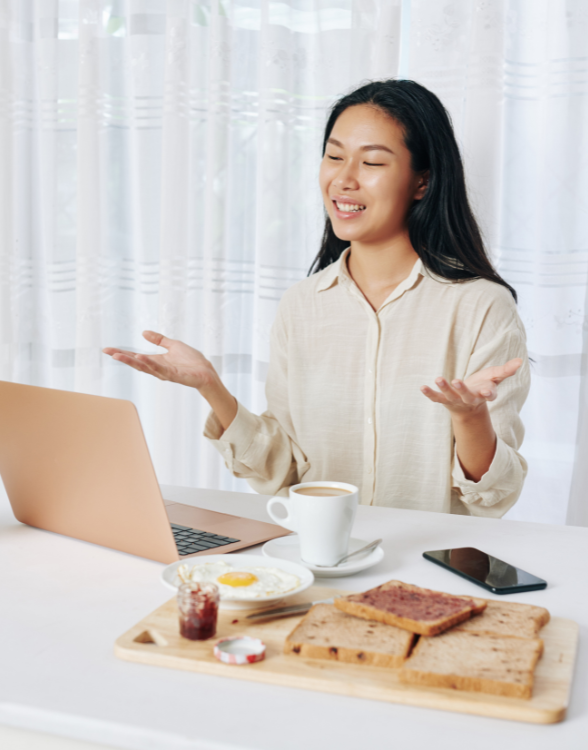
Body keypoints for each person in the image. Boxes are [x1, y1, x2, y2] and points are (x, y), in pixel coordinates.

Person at [103, 79, 528, 517]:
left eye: (373, 162)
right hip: (318, 561)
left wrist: (470, 416)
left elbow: (492, 497)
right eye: (334, 156)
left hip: (426, 568)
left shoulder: (482, 307)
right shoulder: (302, 305)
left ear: (422, 181)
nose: (344, 180)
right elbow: (282, 473)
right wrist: (212, 388)